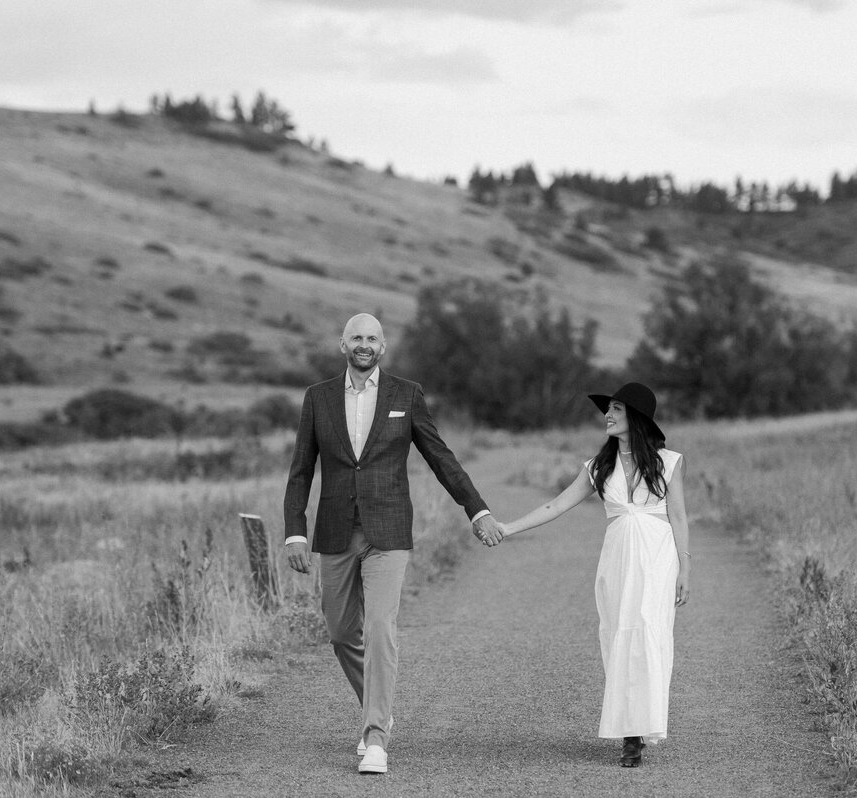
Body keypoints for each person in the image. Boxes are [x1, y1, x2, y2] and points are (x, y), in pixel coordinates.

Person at [282, 313, 504, 776]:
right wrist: (295, 530)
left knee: (381, 627)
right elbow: (301, 468)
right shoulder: (318, 398)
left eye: (372, 339)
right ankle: (376, 708)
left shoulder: (407, 394)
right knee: (342, 633)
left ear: (382, 348)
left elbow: (440, 456)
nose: (364, 345)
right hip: (335, 532)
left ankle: (376, 736)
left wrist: (476, 509)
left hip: (388, 534)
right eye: (356, 338)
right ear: (342, 345)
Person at [495, 382, 691, 767]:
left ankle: (641, 730)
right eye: (609, 409)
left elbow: (679, 516)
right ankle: (629, 730)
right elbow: (556, 505)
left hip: (657, 556)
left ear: (635, 417)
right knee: (619, 636)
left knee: (650, 632)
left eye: (617, 409)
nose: (608, 415)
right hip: (617, 558)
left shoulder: (670, 462)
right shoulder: (599, 466)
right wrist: (508, 528)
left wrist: (686, 566)